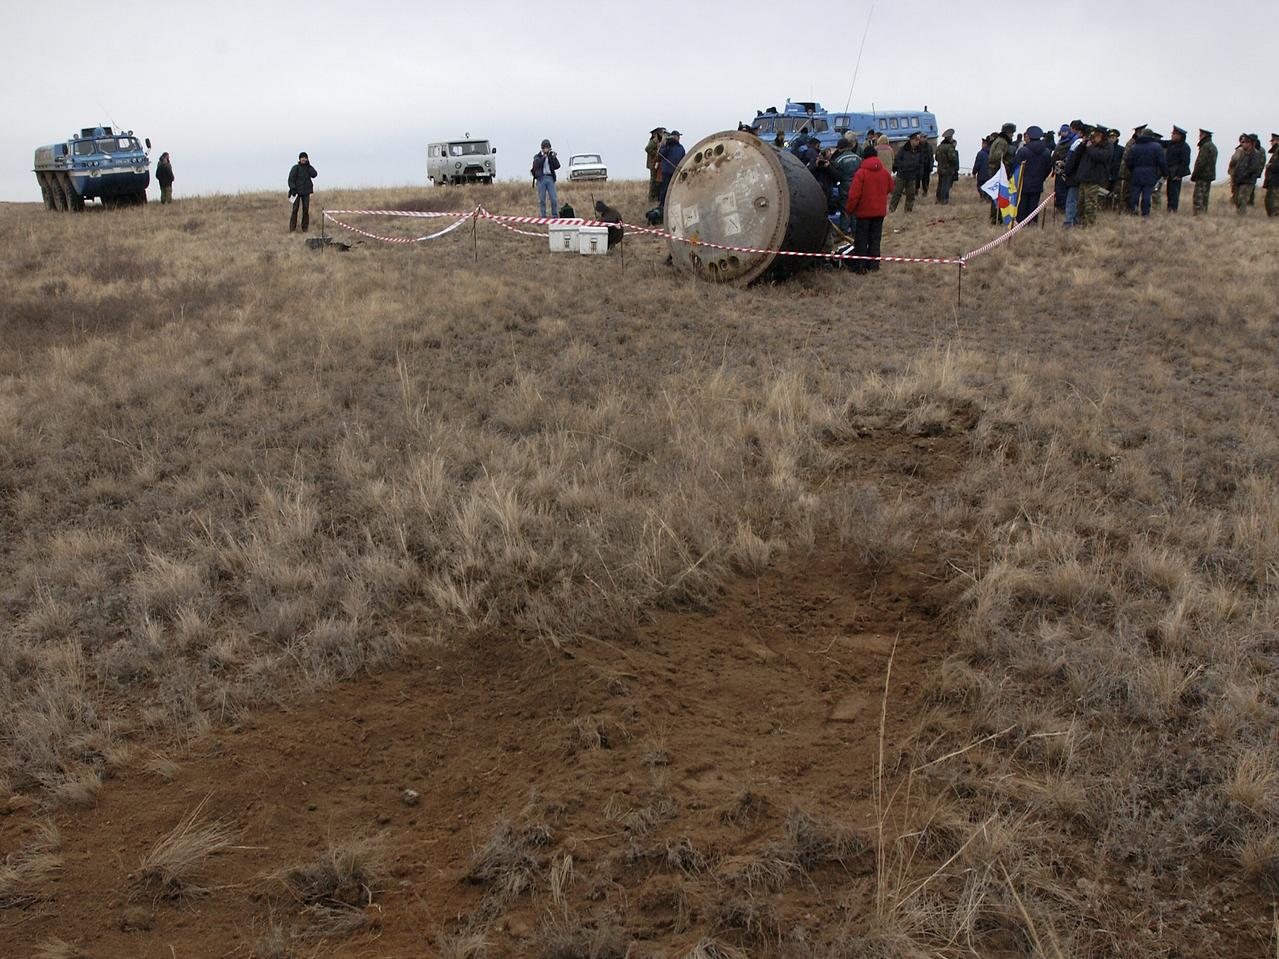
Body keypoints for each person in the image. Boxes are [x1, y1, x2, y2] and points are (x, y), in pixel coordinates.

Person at [843, 149, 894, 274]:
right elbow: (891, 187)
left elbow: (854, 195)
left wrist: (849, 210)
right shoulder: (884, 172)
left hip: (864, 213)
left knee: (861, 240)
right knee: (875, 240)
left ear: (863, 158)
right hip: (879, 213)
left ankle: (860, 267)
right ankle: (874, 266)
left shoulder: (861, 173)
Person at [1013, 125, 1052, 221]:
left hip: (1023, 183)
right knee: (1033, 206)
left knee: (1022, 206)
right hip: (1037, 183)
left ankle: (1021, 224)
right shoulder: (1046, 152)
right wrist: (1041, 178)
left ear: (1029, 137)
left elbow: (1016, 167)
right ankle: (1033, 224)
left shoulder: (1023, 151)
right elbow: (1048, 168)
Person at [1075, 126, 1112, 227]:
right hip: (1083, 179)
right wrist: (1083, 144)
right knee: (1080, 205)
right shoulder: (1088, 146)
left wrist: (1090, 147)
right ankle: (1081, 224)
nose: (1094, 138)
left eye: (1096, 136)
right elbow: (1077, 155)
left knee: (1090, 205)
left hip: (1094, 179)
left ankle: (1090, 226)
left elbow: (1101, 157)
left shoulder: (1107, 146)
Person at [1127, 128, 1168, 216]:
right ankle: (1145, 213)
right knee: (1147, 195)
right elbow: (1162, 162)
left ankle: (1133, 211)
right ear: (1151, 136)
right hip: (1150, 174)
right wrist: (1165, 173)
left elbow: (1128, 161)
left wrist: (1133, 170)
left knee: (1135, 194)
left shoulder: (1134, 147)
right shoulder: (1157, 147)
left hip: (1136, 173)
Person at [831, 134, 862, 230]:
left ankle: (844, 230)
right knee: (856, 209)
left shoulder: (839, 160)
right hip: (857, 186)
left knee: (845, 210)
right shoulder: (858, 158)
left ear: (840, 148)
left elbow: (836, 175)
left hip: (844, 187)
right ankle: (855, 230)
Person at [986, 123, 1015, 223]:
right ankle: (996, 218)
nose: (1012, 135)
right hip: (998, 172)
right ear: (1008, 132)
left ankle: (996, 217)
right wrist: (1005, 163)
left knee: (997, 195)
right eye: (1012, 133)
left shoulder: (998, 140)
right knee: (999, 196)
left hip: (995, 171)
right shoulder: (1003, 142)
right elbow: (996, 157)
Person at [889, 131, 925, 212]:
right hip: (902, 175)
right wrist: (902, 167)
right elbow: (897, 160)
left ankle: (908, 211)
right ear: (911, 140)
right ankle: (892, 209)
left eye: (918, 140)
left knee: (911, 195)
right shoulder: (904, 149)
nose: (918, 142)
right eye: (916, 140)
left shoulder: (919, 151)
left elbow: (921, 163)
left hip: (912, 176)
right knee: (897, 193)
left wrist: (920, 173)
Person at [1231, 135, 1264, 214]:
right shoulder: (1244, 153)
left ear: (1250, 143)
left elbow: (1253, 168)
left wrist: (1243, 176)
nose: (1243, 144)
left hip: (1247, 181)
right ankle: (1239, 215)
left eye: (1245, 142)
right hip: (1240, 180)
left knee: (1242, 200)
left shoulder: (1255, 153)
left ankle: (1241, 217)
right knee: (1237, 200)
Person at [287, 152, 318, 233]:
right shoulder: (295, 168)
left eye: (305, 157)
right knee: (295, 210)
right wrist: (293, 189)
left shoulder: (308, 168)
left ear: (307, 159)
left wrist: (309, 165)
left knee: (305, 210)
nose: (304, 159)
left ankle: (305, 228)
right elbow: (291, 179)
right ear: (299, 159)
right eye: (302, 157)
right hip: (296, 192)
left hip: (306, 192)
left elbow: (314, 174)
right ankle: (292, 229)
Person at [531, 139, 561, 219]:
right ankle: (543, 216)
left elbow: (557, 166)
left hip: (550, 178)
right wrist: (544, 157)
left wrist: (554, 158)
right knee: (542, 200)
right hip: (541, 179)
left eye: (548, 148)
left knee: (553, 199)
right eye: (545, 148)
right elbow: (537, 164)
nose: (546, 149)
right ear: (542, 148)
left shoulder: (551, 156)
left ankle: (554, 216)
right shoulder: (537, 156)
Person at [1164, 127, 1191, 213]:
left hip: (1176, 174)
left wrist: (1179, 175)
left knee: (1174, 193)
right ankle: (1169, 209)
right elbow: (1161, 142)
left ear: (1180, 136)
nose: (1172, 135)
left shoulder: (1184, 147)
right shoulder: (1171, 144)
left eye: (1174, 133)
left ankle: (1173, 210)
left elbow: (1185, 162)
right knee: (1169, 192)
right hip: (1170, 172)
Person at [1191, 130, 1217, 215]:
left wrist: (1194, 175)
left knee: (1198, 196)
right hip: (1209, 175)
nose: (1199, 137)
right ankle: (1203, 214)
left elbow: (1200, 162)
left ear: (1204, 136)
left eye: (1200, 135)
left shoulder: (1205, 147)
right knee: (1205, 196)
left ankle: (1198, 214)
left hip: (1202, 175)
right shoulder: (1213, 147)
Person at [657, 131, 685, 207]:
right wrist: (664, 144)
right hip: (667, 172)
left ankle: (674, 203)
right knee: (665, 189)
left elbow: (683, 159)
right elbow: (660, 154)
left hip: (676, 172)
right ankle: (662, 205)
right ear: (674, 137)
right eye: (677, 136)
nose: (678, 138)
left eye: (679, 136)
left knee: (675, 189)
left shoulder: (681, 148)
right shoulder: (668, 146)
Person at [934, 129, 958, 204]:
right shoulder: (949, 147)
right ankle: (944, 200)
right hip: (948, 169)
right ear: (950, 137)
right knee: (946, 185)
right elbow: (953, 158)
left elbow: (936, 158)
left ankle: (938, 199)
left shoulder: (939, 147)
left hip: (940, 168)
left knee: (940, 184)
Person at [645, 128, 665, 202]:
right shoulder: (654, 141)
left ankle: (655, 196)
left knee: (657, 180)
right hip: (653, 163)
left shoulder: (659, 141)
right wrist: (656, 153)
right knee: (653, 181)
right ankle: (651, 198)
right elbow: (647, 149)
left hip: (656, 163)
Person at [1265, 133, 1279, 217]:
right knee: (1269, 201)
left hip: (1277, 180)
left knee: (1274, 202)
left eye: (1273, 141)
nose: (1271, 143)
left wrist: (1270, 166)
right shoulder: (1276, 151)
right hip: (1273, 180)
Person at [916, 134, 934, 198]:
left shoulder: (929, 146)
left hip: (927, 166)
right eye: (923, 137)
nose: (925, 138)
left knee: (926, 180)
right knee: (917, 180)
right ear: (920, 138)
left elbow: (931, 156)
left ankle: (925, 192)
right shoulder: (917, 146)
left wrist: (931, 165)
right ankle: (916, 191)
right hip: (919, 166)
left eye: (926, 137)